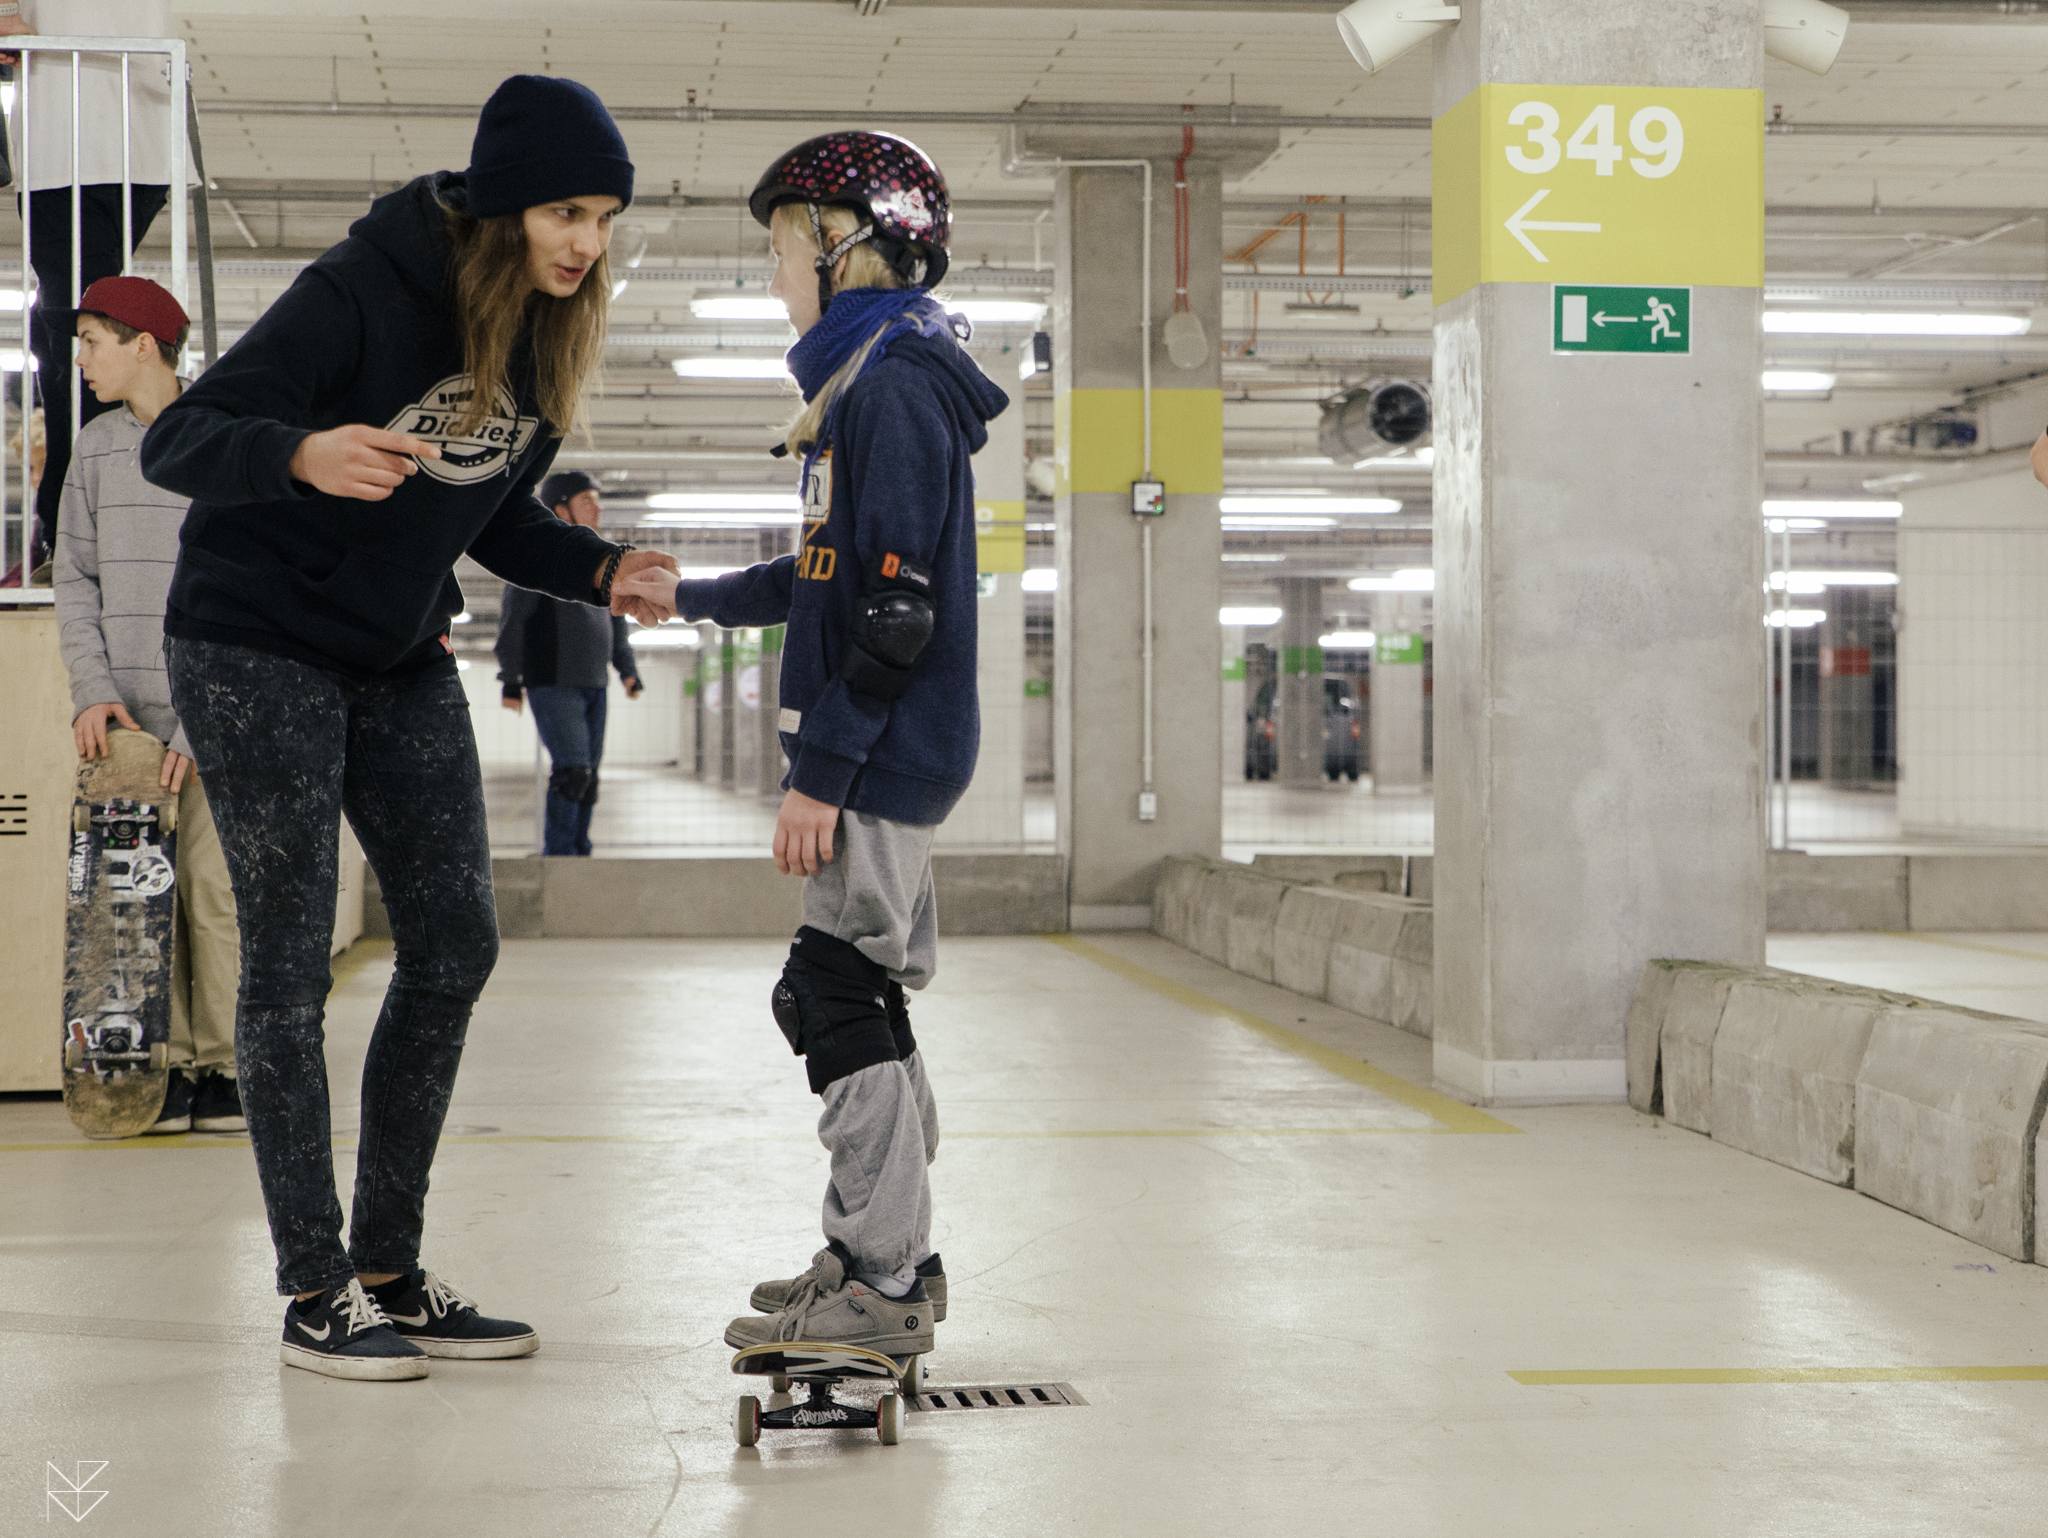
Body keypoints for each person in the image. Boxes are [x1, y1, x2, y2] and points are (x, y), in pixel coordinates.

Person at [141, 74, 677, 1382]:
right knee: (287, 965)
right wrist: (304, 452)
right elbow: (184, 435)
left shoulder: (546, 333)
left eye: (602, 217)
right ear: (504, 203)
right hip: (251, 633)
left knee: (452, 943)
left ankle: (389, 1265)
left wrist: (601, 572)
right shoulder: (364, 286)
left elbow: (484, 509)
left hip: (392, 645)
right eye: (563, 210)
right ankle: (315, 1288)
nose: (583, 243)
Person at [614, 131, 1008, 1357]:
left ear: (847, 249)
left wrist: (818, 776)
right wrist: (691, 598)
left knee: (830, 993)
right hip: (890, 744)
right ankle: (883, 1249)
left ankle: (882, 1281)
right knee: (857, 993)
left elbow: (894, 613)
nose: (776, 276)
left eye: (783, 250)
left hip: (880, 750)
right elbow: (831, 576)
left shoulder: (889, 389)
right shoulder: (874, 383)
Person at [54, 275, 242, 1136]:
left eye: (94, 340)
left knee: (210, 895)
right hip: (123, 733)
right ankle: (153, 1074)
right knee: (132, 907)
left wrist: (199, 723)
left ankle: (225, 1070)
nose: (82, 358)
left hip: (209, 723)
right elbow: (74, 578)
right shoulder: (94, 449)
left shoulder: (221, 439)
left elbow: (244, 587)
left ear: (144, 344)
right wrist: (94, 692)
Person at [0, 0, 178, 562]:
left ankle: (68, 524)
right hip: (130, 119)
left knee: (70, 331)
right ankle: (71, 519)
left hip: (74, 129)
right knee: (67, 327)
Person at [495, 468, 644, 857]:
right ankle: (559, 855)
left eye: (598, 501)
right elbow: (513, 623)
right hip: (552, 682)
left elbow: (617, 623)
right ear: (561, 509)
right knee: (572, 773)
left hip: (596, 684)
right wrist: (510, 679)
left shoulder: (601, 565)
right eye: (587, 501)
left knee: (589, 778)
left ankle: (580, 852)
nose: (598, 509)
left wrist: (628, 670)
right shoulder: (538, 564)